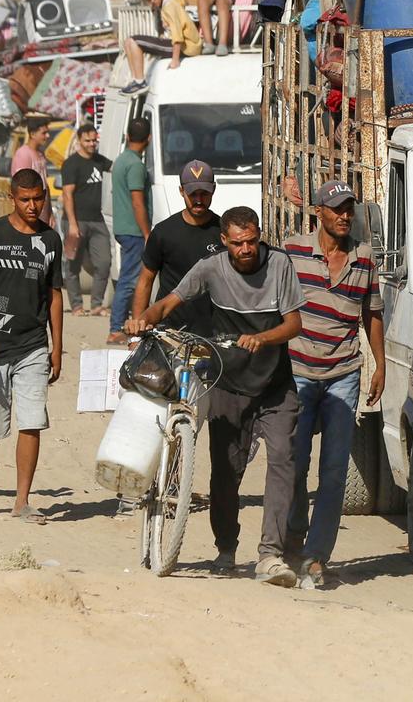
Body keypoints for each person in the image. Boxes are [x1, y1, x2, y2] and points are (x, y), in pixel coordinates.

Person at [128, 206, 305, 584]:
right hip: (228, 383)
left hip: (275, 383)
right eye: (238, 243)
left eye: (252, 241)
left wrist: (263, 337)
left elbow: (294, 323)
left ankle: (270, 555)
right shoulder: (211, 268)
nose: (246, 249)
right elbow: (171, 301)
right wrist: (145, 317)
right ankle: (226, 547)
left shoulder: (279, 265)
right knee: (226, 472)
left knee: (283, 460)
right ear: (224, 241)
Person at [282, 181, 384, 590]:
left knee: (335, 470)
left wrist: (378, 365)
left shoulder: (365, 257)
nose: (345, 216)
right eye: (337, 209)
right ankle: (291, 536)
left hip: (344, 372)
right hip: (298, 370)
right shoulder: (292, 252)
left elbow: (371, 313)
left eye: (349, 209)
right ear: (319, 212)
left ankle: (316, 555)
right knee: (294, 463)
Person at [0, 168, 65, 521]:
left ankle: (22, 501)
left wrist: (56, 347)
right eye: (25, 199)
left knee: (32, 421)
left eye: (38, 198)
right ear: (12, 198)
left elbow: (55, 295)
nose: (32, 205)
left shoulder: (51, 240)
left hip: (33, 345)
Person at [134, 160, 224, 331]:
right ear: (181, 191)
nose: (198, 200)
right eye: (192, 194)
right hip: (170, 331)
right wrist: (137, 330)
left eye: (204, 193)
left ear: (213, 190)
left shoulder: (223, 232)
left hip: (214, 333)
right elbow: (145, 281)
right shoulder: (163, 232)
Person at [59, 123, 112, 318]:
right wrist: (72, 224)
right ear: (79, 140)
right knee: (73, 264)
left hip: (97, 220)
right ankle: (76, 306)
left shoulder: (99, 161)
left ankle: (97, 304)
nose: (91, 144)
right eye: (87, 140)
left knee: (104, 262)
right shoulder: (71, 164)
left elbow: (117, 167)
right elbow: (67, 194)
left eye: (94, 140)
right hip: (75, 221)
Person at [108, 118, 152, 344]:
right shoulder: (135, 165)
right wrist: (147, 233)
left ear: (127, 136)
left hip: (124, 227)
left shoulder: (122, 160)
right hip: (134, 230)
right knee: (129, 279)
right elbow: (137, 202)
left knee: (129, 277)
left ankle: (119, 324)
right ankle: (116, 328)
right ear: (149, 139)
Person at [121, 0, 203, 91]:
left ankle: (140, 82)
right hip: (174, 42)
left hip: (186, 46)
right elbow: (182, 0)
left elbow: (177, 35)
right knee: (128, 41)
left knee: (134, 41)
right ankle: (135, 79)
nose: (153, 1)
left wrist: (175, 60)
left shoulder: (168, 6)